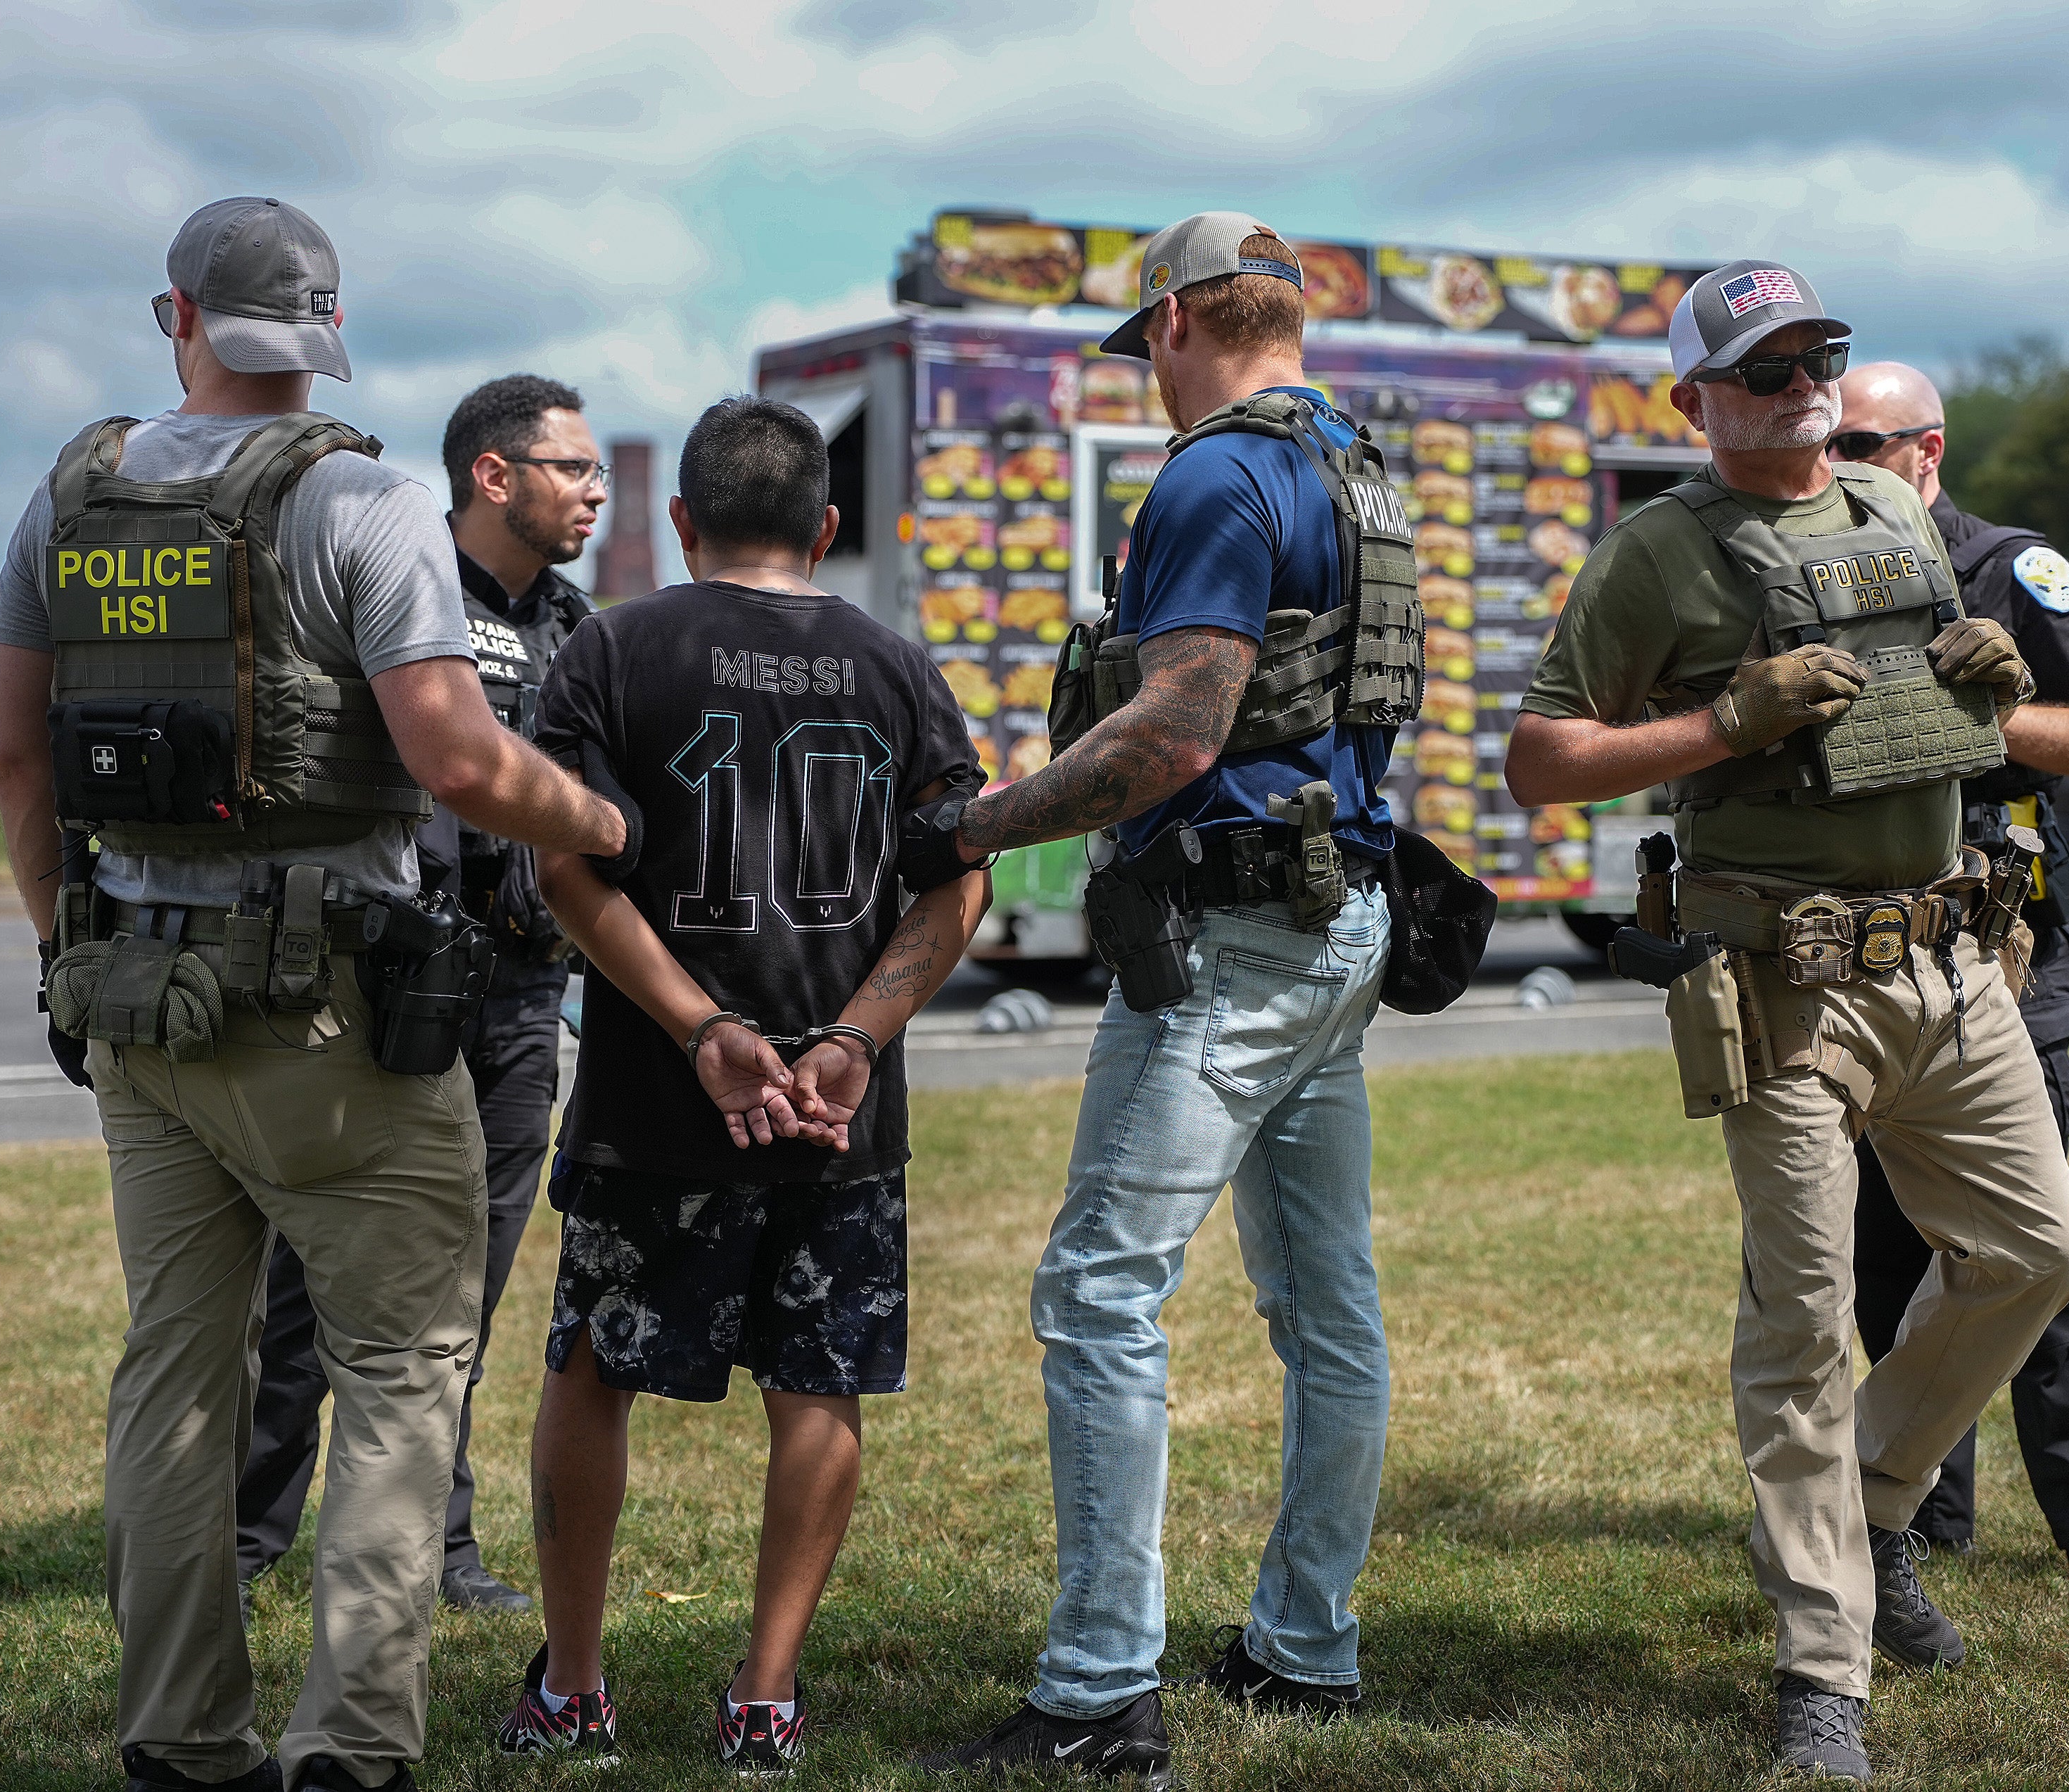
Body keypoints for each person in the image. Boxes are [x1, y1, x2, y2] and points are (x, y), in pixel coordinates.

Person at [0, 198, 628, 1792]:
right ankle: (347, 1746)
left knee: (174, 1375)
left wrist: (69, 943)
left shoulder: (66, 499)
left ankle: (180, 1740)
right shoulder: (367, 500)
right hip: (335, 1020)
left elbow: (20, 761)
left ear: (175, 317)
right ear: (326, 331)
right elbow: (459, 761)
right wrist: (607, 822)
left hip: (142, 1007)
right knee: (405, 1373)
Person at [1504, 262, 2069, 1784]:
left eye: (1816, 355)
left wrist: (1995, 672)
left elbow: (1949, 707)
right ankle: (1819, 1667)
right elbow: (1538, 757)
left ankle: (1875, 1500)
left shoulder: (1895, 515)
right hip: (1778, 987)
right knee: (1798, 1326)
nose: (1799, 383)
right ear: (1692, 400)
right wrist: (1722, 723)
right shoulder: (1653, 553)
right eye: (1761, 367)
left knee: (2033, 1254)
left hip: (1952, 962)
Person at [909, 212, 1413, 1785]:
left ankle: (1095, 1696)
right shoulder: (1355, 459)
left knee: (1099, 1293)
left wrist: (974, 822)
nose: (1147, 379)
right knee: (1325, 1305)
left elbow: (1175, 730)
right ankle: (1304, 1646)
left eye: (1148, 347)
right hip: (1336, 922)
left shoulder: (1212, 469)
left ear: (1183, 319)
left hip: (1231, 936)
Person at [500, 396, 989, 1774]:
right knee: (815, 1386)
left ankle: (575, 1684)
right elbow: (962, 878)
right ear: (828, 529)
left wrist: (703, 1026)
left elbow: (565, 869)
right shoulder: (896, 665)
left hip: (655, 1105)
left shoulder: (611, 645)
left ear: (680, 521)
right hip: (838, 1115)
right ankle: (764, 1694)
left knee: (592, 1366)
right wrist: (851, 1039)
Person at [234, 374, 606, 1621]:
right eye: (571, 468)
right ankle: (249, 1527)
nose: (595, 490)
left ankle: (439, 1543)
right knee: (309, 1272)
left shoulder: (580, 627)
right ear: (493, 475)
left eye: (597, 470)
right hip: (379, 989)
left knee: (468, 1288)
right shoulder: (397, 584)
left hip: (514, 1005)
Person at [1829, 362, 2069, 1602]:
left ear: (1927, 448)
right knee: (1886, 1254)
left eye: (1866, 439)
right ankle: (1924, 1515)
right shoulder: (1822, 564)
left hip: (2004, 949)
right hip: (1873, 952)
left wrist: (1983, 720)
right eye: (1834, 438)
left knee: (2038, 1256)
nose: (1844, 456)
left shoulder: (2014, 569)